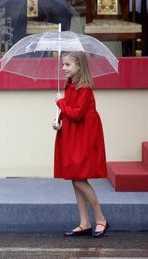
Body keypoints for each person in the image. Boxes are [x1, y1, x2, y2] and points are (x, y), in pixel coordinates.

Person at [53, 51, 109, 238]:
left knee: (79, 178)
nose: (63, 68)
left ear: (79, 66)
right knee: (74, 178)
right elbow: (69, 113)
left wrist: (60, 102)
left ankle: (100, 219)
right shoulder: (70, 87)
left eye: (67, 65)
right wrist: (59, 122)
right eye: (63, 65)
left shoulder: (84, 89)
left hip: (83, 137)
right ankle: (84, 222)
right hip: (73, 134)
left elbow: (76, 114)